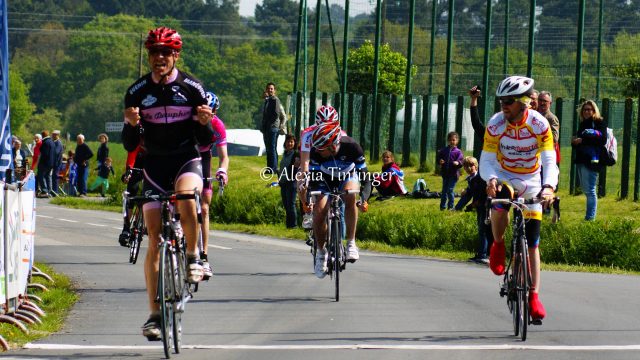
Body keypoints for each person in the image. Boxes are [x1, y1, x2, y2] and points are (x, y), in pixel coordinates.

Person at [122, 26, 215, 341]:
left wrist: (203, 124)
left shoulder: (193, 88)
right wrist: (133, 126)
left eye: (165, 52)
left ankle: (193, 257)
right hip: (154, 165)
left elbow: (206, 140)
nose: (159, 58)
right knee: (153, 237)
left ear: (176, 55)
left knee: (188, 197)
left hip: (185, 160)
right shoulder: (136, 91)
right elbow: (129, 143)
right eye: (154, 52)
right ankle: (154, 315)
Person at [480, 75, 557, 322]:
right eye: (502, 100)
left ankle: (534, 295)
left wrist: (548, 187)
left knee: (533, 241)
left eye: (510, 101)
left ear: (524, 102)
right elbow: (487, 160)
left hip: (532, 179)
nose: (504, 105)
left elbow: (549, 160)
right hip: (504, 175)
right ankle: (498, 243)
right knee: (500, 201)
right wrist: (491, 178)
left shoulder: (539, 124)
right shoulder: (495, 124)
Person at [306, 121, 371, 278]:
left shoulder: (352, 146)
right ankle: (321, 253)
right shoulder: (316, 152)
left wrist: (364, 198)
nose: (318, 152)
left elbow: (365, 178)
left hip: (347, 175)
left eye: (322, 150)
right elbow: (313, 180)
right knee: (320, 211)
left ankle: (351, 243)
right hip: (324, 177)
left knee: (350, 194)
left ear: (331, 146)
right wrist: (310, 199)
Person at [297, 105, 347, 229]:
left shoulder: (342, 134)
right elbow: (305, 161)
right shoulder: (308, 134)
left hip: (332, 166)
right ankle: (307, 210)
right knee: (300, 179)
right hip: (313, 164)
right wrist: (305, 178)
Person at [198, 91, 229, 279]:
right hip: (185, 154)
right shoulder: (189, 120)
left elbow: (224, 156)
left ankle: (204, 257)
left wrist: (222, 171)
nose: (208, 116)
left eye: (212, 112)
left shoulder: (217, 125)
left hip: (203, 157)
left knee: (205, 207)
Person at [571, 100, 606, 221]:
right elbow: (579, 141)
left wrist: (582, 141)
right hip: (581, 159)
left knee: (590, 190)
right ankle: (589, 217)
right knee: (586, 189)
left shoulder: (599, 122)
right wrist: (574, 142)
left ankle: (590, 218)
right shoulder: (583, 123)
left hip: (593, 160)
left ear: (594, 111)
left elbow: (602, 140)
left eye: (589, 109)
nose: (586, 111)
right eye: (584, 109)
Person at [454, 156, 493, 264]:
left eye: (471, 166)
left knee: (484, 231)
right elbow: (470, 193)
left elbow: (482, 194)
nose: (469, 168)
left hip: (485, 206)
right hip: (479, 207)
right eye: (466, 166)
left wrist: (473, 204)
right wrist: (465, 192)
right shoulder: (471, 179)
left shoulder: (480, 178)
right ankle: (481, 253)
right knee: (481, 230)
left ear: (476, 166)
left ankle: (484, 255)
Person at [119, 145, 146, 247]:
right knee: (131, 194)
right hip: (136, 167)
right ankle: (126, 229)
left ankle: (138, 223)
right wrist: (128, 172)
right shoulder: (138, 140)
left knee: (147, 196)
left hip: (151, 167)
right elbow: (132, 155)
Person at [260, 82, 286, 173]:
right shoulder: (268, 100)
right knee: (268, 148)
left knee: (271, 148)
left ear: (274, 91)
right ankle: (269, 168)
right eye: (268, 88)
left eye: (272, 89)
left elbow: (275, 114)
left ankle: (273, 169)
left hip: (273, 127)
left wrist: (268, 123)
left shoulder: (275, 100)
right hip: (267, 128)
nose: (270, 90)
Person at [437, 131, 464, 210]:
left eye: (453, 140)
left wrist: (458, 162)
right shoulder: (444, 150)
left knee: (450, 190)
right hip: (445, 174)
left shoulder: (458, 152)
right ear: (448, 141)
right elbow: (438, 158)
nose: (452, 141)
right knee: (444, 191)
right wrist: (440, 160)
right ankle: (442, 207)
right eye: (450, 140)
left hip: (454, 174)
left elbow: (461, 161)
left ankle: (451, 207)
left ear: (457, 141)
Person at [279, 134, 299, 228]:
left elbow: (295, 168)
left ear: (294, 143)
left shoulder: (295, 154)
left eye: (291, 142)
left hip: (292, 182)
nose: (289, 143)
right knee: (286, 205)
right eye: (288, 141)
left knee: (291, 204)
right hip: (283, 183)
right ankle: (288, 225)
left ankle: (293, 226)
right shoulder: (285, 154)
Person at [538, 91, 561, 166]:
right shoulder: (534, 115)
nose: (542, 103)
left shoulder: (552, 118)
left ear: (550, 103)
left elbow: (555, 138)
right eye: (540, 100)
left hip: (545, 154)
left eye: (544, 101)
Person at [36, 130, 55, 197]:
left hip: (44, 163)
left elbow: (45, 154)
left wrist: (40, 163)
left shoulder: (45, 143)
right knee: (47, 177)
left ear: (42, 135)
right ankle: (49, 191)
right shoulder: (52, 142)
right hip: (51, 163)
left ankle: (44, 191)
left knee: (41, 176)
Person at [51, 130, 64, 195]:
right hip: (54, 163)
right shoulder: (54, 142)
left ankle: (55, 192)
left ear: (57, 135)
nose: (52, 136)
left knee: (55, 177)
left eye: (54, 135)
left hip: (57, 163)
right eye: (52, 134)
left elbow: (56, 152)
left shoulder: (58, 143)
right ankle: (53, 190)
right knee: (53, 177)